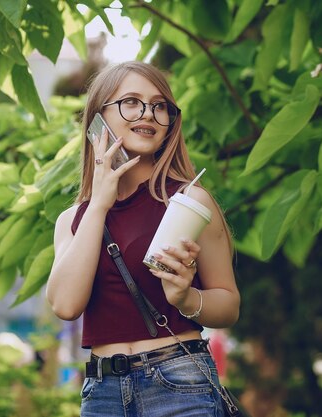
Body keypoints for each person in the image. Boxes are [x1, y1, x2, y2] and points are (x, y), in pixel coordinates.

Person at [46, 61, 240, 416]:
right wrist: (100, 203)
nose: (148, 113)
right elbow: (65, 305)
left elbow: (228, 305)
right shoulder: (71, 220)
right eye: (131, 102)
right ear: (97, 119)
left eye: (159, 105)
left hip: (179, 382)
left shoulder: (187, 202)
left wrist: (186, 297)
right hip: (102, 392)